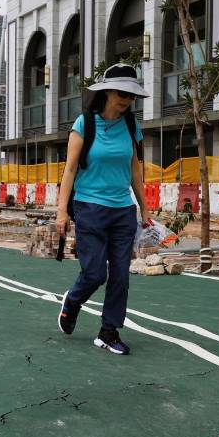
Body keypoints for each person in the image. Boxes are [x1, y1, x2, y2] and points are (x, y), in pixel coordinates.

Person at [55, 64, 149, 355]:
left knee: (121, 274)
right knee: (95, 273)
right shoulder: (84, 124)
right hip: (89, 208)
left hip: (123, 210)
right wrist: (61, 212)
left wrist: (145, 209)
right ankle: (72, 302)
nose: (126, 100)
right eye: (122, 93)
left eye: (132, 96)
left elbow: (134, 168)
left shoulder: (132, 126)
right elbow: (70, 170)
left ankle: (109, 332)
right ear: (107, 91)